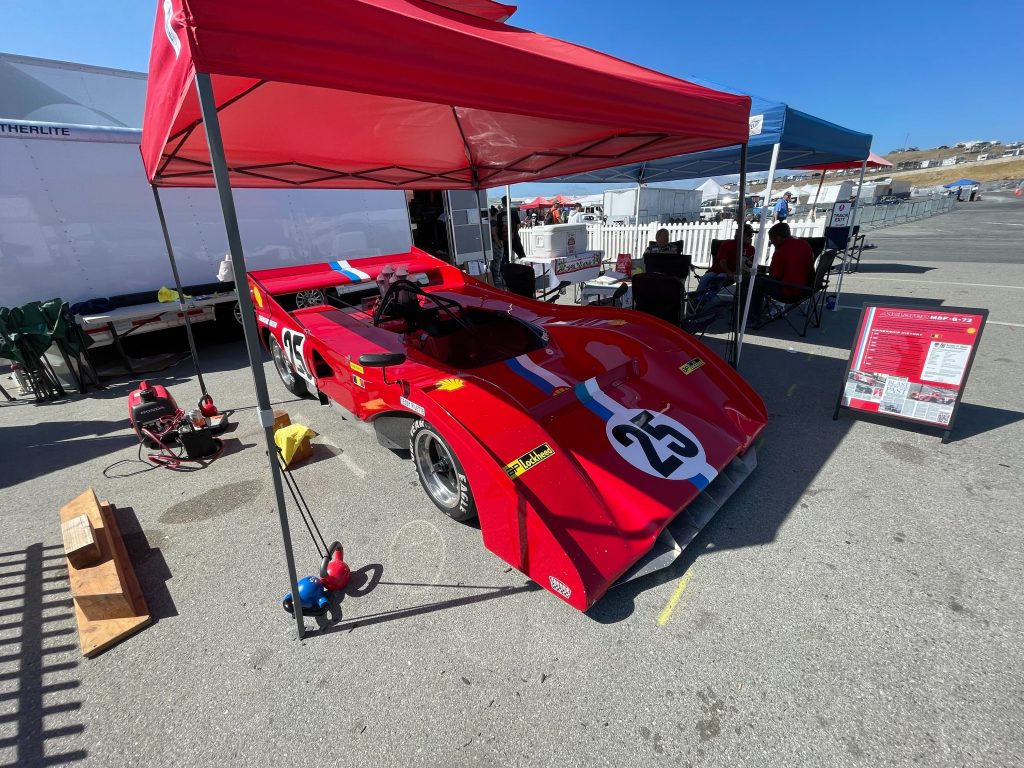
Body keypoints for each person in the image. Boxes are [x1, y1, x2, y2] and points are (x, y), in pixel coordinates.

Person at [745, 222, 815, 323]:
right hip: (806, 288)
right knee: (759, 280)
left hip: (789, 291)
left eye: (771, 239)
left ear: (777, 237)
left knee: (751, 282)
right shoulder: (804, 244)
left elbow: (775, 276)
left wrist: (760, 271)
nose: (771, 242)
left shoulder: (781, 251)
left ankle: (751, 317)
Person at [697, 224, 754, 294]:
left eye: (751, 235)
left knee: (720, 279)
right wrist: (729, 273)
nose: (750, 237)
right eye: (748, 235)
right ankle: (696, 301)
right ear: (740, 234)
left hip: (734, 274)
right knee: (705, 278)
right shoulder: (727, 244)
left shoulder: (751, 249)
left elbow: (749, 267)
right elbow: (722, 262)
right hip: (718, 271)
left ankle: (704, 301)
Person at [498, 196, 526, 267]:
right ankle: (524, 270)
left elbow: (498, 228)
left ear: (502, 203)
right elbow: (518, 226)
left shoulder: (499, 215)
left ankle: (510, 274)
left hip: (504, 240)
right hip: (515, 238)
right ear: (510, 202)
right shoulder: (514, 213)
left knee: (507, 259)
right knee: (522, 256)